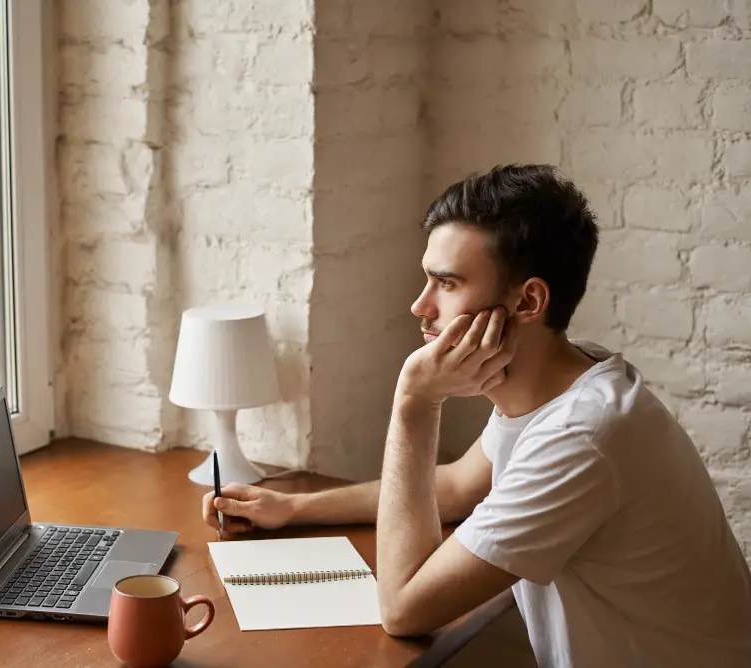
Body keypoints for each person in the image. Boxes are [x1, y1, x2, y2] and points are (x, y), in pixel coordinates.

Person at [201, 164, 751, 667]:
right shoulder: (566, 379)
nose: (421, 306)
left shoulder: (584, 434)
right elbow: (461, 487)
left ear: (529, 303)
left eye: (447, 283)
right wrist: (293, 508)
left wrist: (415, 402)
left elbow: (402, 607)